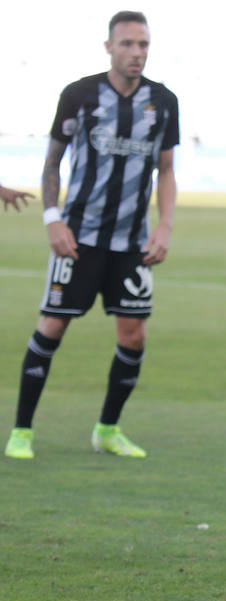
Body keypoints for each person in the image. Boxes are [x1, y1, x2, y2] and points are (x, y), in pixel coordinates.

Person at [5, 11, 178, 461]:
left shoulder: (163, 101)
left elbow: (166, 170)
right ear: (109, 47)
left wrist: (164, 225)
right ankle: (21, 431)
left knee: (134, 335)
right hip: (78, 237)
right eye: (128, 44)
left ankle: (107, 429)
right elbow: (53, 161)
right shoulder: (79, 95)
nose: (136, 53)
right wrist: (52, 219)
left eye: (143, 44)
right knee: (52, 325)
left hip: (132, 242)